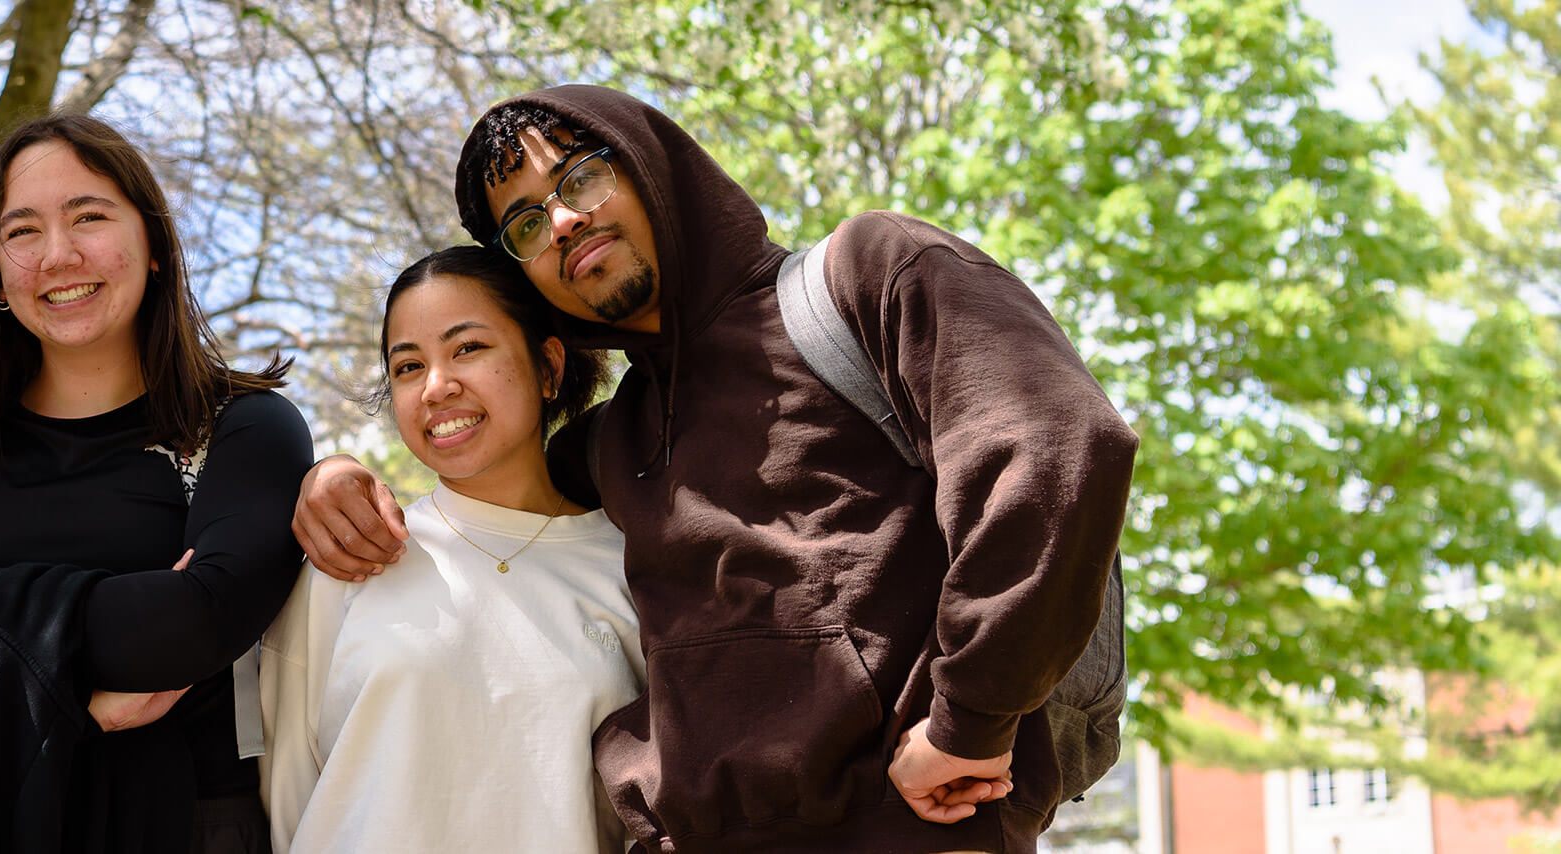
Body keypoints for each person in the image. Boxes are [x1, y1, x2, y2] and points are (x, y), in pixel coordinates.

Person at [290, 84, 1140, 853]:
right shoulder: (612, 442)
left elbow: (1056, 448)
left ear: (653, 162)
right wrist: (332, 479)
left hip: (914, 824)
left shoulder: (863, 277)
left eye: (580, 178)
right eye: (524, 223)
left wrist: (972, 719)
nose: (561, 222)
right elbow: (490, 487)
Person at [0, 114, 312, 854]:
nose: (58, 255)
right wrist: (84, 698)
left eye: (89, 216)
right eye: (21, 232)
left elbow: (196, 622)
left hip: (186, 829)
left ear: (152, 246)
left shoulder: (244, 428)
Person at [258, 246, 635, 853]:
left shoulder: (629, 568)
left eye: (468, 348)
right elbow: (288, 797)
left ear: (547, 366)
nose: (436, 387)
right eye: (408, 367)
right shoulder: (352, 556)